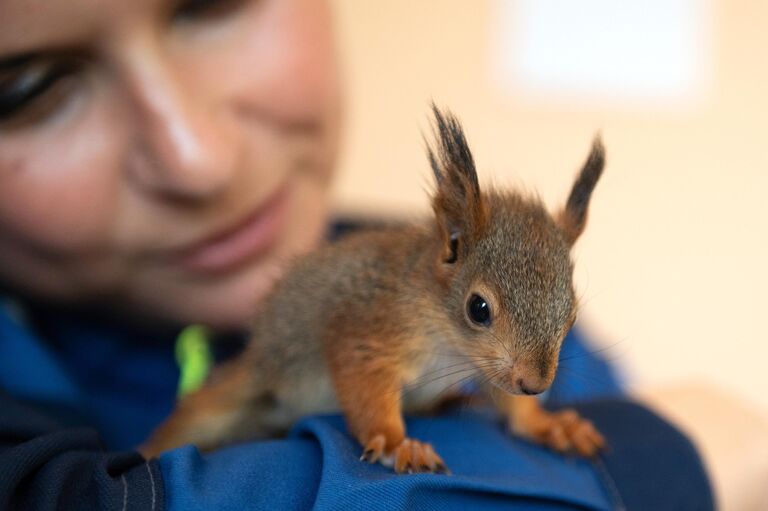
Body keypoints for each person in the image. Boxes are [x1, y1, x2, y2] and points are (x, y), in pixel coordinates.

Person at [0, 0, 760, 509]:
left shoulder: (556, 355)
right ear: (451, 249)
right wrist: (387, 437)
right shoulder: (399, 300)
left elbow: (524, 376)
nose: (199, 160)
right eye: (26, 86)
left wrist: (532, 423)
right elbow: (362, 360)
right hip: (279, 382)